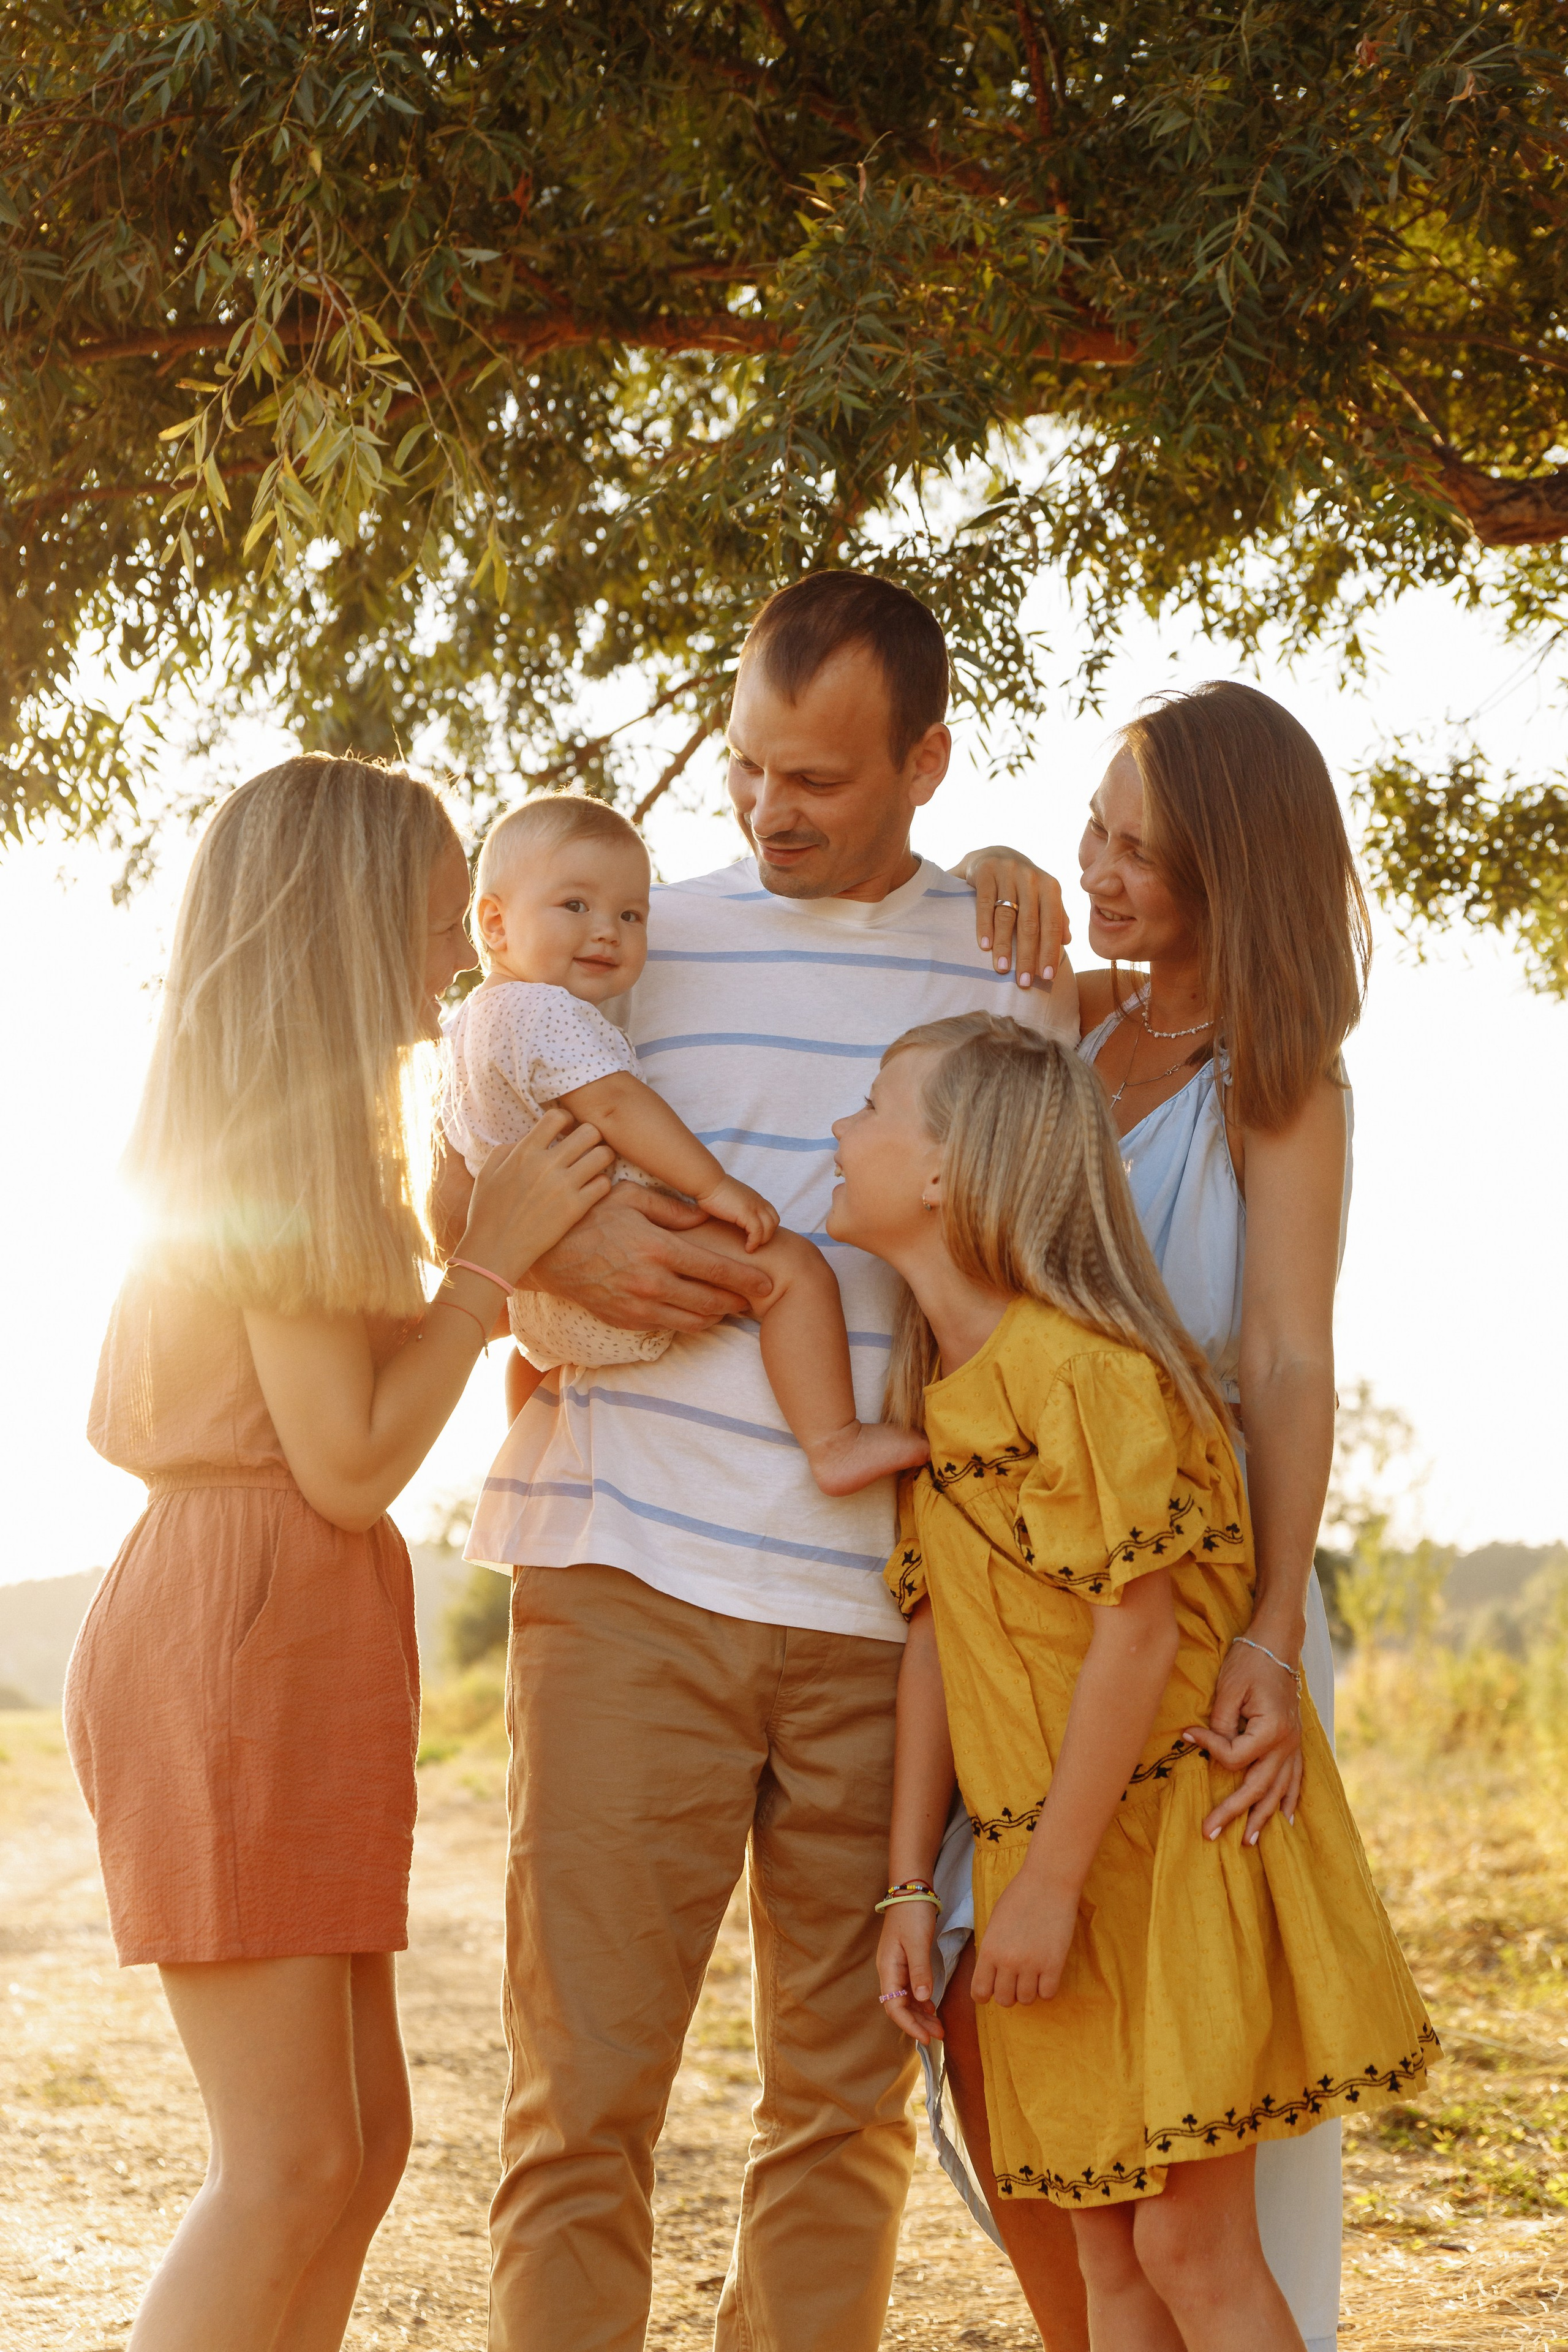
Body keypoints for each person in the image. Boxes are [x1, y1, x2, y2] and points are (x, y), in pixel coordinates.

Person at [434, 571, 1079, 2352]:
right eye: (745, 768)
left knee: (843, 2118)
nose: (764, 813)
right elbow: (463, 1163)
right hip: (629, 1571)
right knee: (579, 2112)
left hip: (892, 1616)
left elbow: (1057, 1280)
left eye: (817, 780)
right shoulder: (635, 932)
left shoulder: (1010, 969)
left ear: (927, 760)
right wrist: (550, 1260)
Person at [63, 756, 614, 2352]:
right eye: (438, 922)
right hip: (235, 1631)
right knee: (288, 2162)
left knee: (361, 2153)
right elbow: (354, 1463)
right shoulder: (264, 1153)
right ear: (342, 924)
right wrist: (481, 1277)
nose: (459, 960)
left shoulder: (324, 1142)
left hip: (296, 1628)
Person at [834, 1014, 1436, 2352]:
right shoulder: (943, 1395)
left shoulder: (1087, 1374)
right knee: (1103, 2254)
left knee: (1183, 2243)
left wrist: (1036, 1892)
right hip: (1037, 1865)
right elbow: (936, 1644)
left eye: (873, 1105)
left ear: (948, 1173)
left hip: (1154, 1853)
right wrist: (904, 1889)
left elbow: (1139, 1635)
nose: (840, 1128)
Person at [919, 680, 1376, 2352]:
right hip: (1012, 1610)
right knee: (1018, 2048)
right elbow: (963, 961)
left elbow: (1288, 1363)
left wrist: (1267, 1636)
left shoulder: (1283, 1085)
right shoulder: (1073, 1029)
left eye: (1142, 855)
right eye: (1091, 831)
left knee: (1180, 2089)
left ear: (1234, 873)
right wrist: (981, 859)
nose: (1098, 871)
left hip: (1192, 1611)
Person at [442, 790, 929, 1494]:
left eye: (630, 914)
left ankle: (530, 1482)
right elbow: (615, 1104)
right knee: (791, 1271)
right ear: (494, 921)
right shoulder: (544, 1009)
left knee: (532, 1373)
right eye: (575, 906)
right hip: (622, 1249)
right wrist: (713, 1186)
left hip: (537, 1308)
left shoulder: (467, 1027)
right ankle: (834, 1440)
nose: (606, 931)